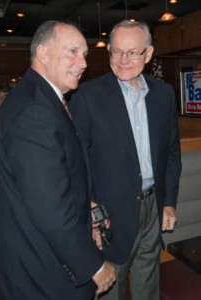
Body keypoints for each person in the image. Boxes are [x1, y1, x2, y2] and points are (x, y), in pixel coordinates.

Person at [0, 20, 115, 300]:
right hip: (41, 270)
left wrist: (86, 209)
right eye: (73, 51)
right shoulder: (35, 112)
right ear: (43, 53)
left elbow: (52, 181)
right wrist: (93, 265)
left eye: (84, 54)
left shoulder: (41, 100)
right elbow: (51, 211)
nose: (82, 63)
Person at [70, 20, 182, 300]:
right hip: (110, 214)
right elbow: (76, 161)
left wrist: (168, 202)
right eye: (116, 51)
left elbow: (170, 154)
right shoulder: (87, 96)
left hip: (153, 206)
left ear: (149, 52)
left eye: (133, 52)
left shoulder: (164, 94)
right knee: (111, 287)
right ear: (108, 51)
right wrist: (91, 212)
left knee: (148, 284)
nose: (123, 60)